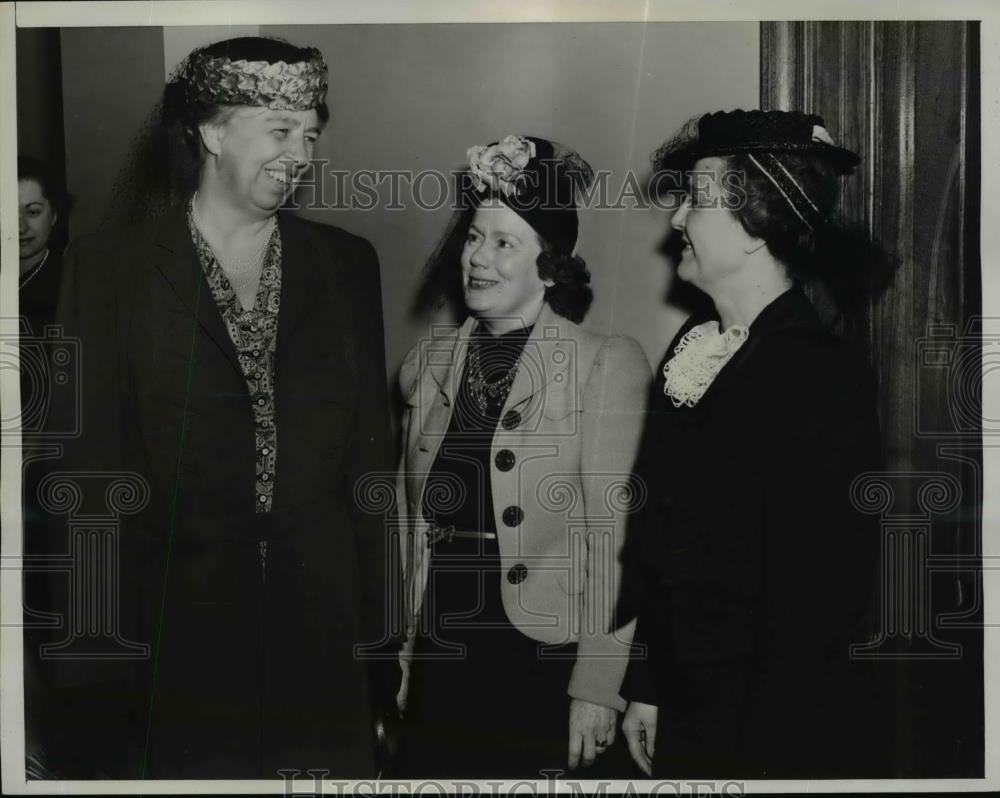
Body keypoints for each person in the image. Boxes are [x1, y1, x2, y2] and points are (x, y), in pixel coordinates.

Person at [37, 36, 400, 779]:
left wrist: (381, 635)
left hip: (319, 633)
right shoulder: (110, 271)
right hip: (174, 635)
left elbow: (371, 466)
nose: (300, 151)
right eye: (279, 128)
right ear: (211, 132)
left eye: (310, 131)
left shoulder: (346, 265)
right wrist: (93, 665)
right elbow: (89, 474)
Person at [620, 109, 890, 778]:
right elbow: (661, 546)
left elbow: (816, 604)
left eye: (696, 200)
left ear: (755, 223)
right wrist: (647, 689)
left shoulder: (817, 371)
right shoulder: (693, 350)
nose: (678, 219)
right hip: (687, 706)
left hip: (763, 728)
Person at [395, 134, 651, 778]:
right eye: (474, 238)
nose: (477, 258)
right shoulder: (429, 364)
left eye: (504, 242)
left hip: (544, 650)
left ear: (550, 264)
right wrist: (399, 653)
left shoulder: (603, 363)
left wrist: (597, 686)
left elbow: (614, 538)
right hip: (442, 638)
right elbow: (408, 526)